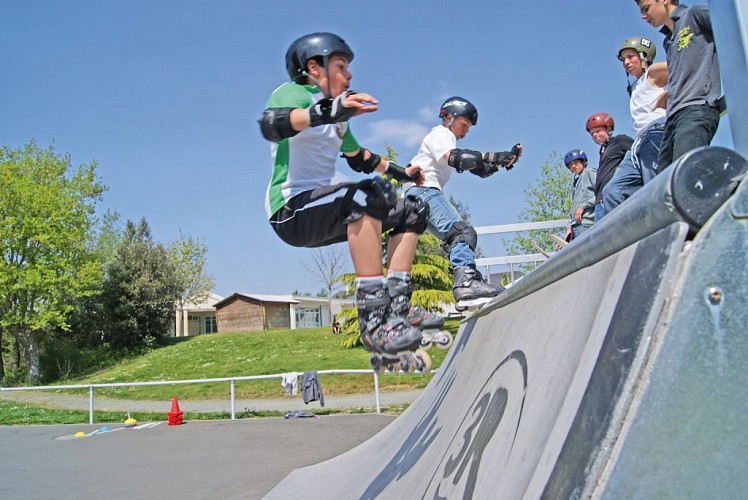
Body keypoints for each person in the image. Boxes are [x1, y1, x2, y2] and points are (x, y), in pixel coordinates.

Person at [257, 32, 441, 358]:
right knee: (366, 196)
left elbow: (362, 159)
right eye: (341, 66)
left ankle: (398, 305)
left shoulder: (339, 122)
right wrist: (329, 111)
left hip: (324, 207)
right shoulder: (295, 93)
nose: (349, 75)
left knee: (411, 210)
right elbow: (273, 124)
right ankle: (373, 319)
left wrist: (403, 173)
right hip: (290, 210)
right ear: (315, 68)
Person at [402, 96, 521, 303]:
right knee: (462, 233)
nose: (466, 131)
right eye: (464, 124)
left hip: (416, 197)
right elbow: (458, 158)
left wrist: (502, 161)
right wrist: (492, 156)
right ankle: (466, 283)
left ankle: (466, 279)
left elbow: (479, 169)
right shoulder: (440, 134)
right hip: (423, 191)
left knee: (454, 236)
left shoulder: (447, 141)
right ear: (448, 118)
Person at [635, 0, 721, 171]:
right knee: (664, 184)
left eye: (646, 9)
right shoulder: (667, 41)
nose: (644, 16)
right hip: (673, 117)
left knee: (686, 174)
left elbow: (730, 29)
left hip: (696, 108)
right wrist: (670, 92)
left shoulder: (694, 15)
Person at [603, 37, 668, 214]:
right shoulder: (634, 86)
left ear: (644, 57)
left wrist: (671, 92)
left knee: (654, 188)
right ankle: (625, 239)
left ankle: (665, 230)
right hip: (637, 144)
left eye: (631, 56)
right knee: (613, 192)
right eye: (623, 59)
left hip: (655, 133)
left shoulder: (653, 73)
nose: (626, 62)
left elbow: (683, 64)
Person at [585, 112, 633, 221]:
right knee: (601, 235)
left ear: (608, 129)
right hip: (599, 199)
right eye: (592, 133)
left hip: (611, 197)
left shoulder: (620, 140)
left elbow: (637, 151)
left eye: (598, 131)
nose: (595, 135)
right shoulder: (602, 150)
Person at [562, 149, 597, 242]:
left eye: (576, 162)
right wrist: (569, 227)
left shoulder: (590, 172)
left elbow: (602, 193)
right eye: (570, 165)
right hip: (576, 225)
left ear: (583, 161)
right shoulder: (576, 181)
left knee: (588, 253)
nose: (573, 166)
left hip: (587, 223)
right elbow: (574, 207)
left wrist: (583, 206)